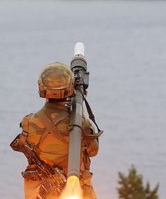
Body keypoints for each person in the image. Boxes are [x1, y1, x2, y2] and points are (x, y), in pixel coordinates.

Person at [11, 62, 100, 199]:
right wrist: (79, 111)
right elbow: (93, 150)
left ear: (41, 88)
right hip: (79, 192)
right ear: (70, 88)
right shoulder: (79, 125)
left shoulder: (29, 123)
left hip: (39, 194)